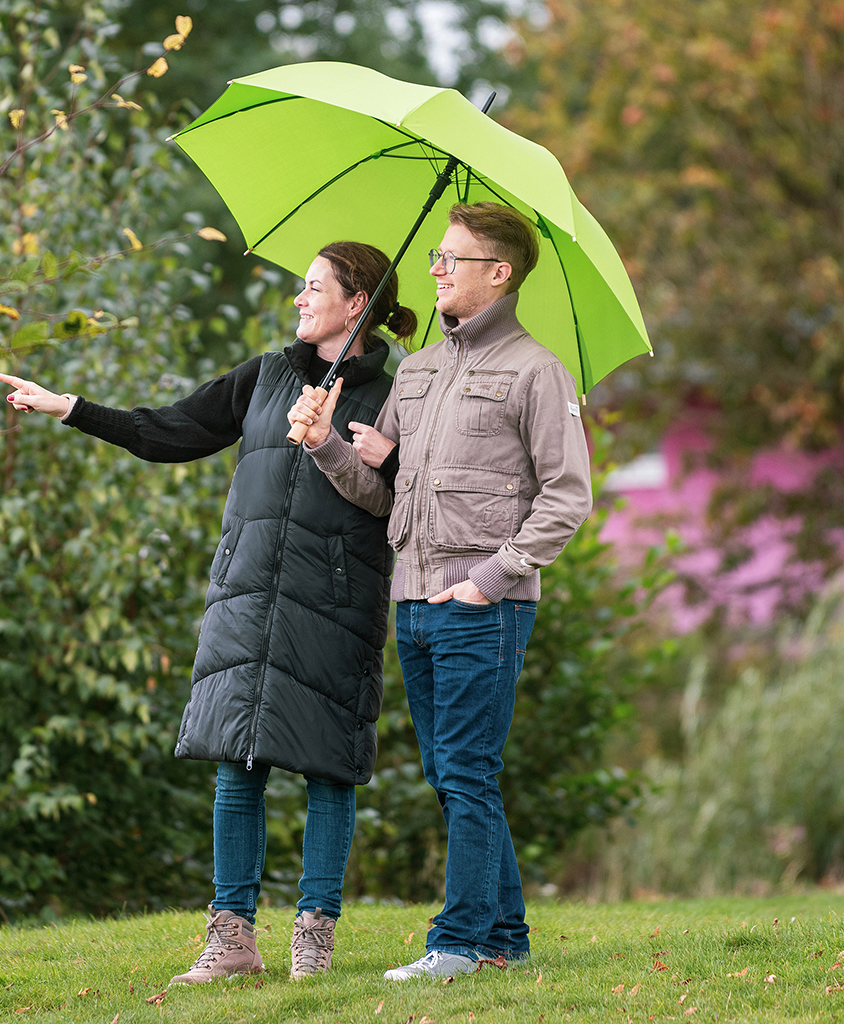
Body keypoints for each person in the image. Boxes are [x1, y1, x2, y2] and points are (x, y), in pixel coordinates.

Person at [0, 241, 418, 983]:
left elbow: (407, 502)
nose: (299, 298)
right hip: (247, 591)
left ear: (358, 304)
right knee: (236, 757)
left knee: (330, 768)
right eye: (300, 287)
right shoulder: (265, 376)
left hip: (338, 596)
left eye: (313, 287)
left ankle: (312, 941)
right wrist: (70, 408)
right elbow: (171, 432)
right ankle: (232, 942)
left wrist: (353, 447)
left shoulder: (401, 395)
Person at [288, 203, 593, 980]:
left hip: (483, 610)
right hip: (413, 603)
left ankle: (454, 944)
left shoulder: (535, 370)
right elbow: (381, 494)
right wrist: (324, 444)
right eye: (435, 255)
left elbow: (566, 498)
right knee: (457, 774)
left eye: (451, 258)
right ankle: (504, 941)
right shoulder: (418, 370)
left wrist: (491, 582)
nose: (435, 269)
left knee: (464, 771)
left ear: (500, 273)